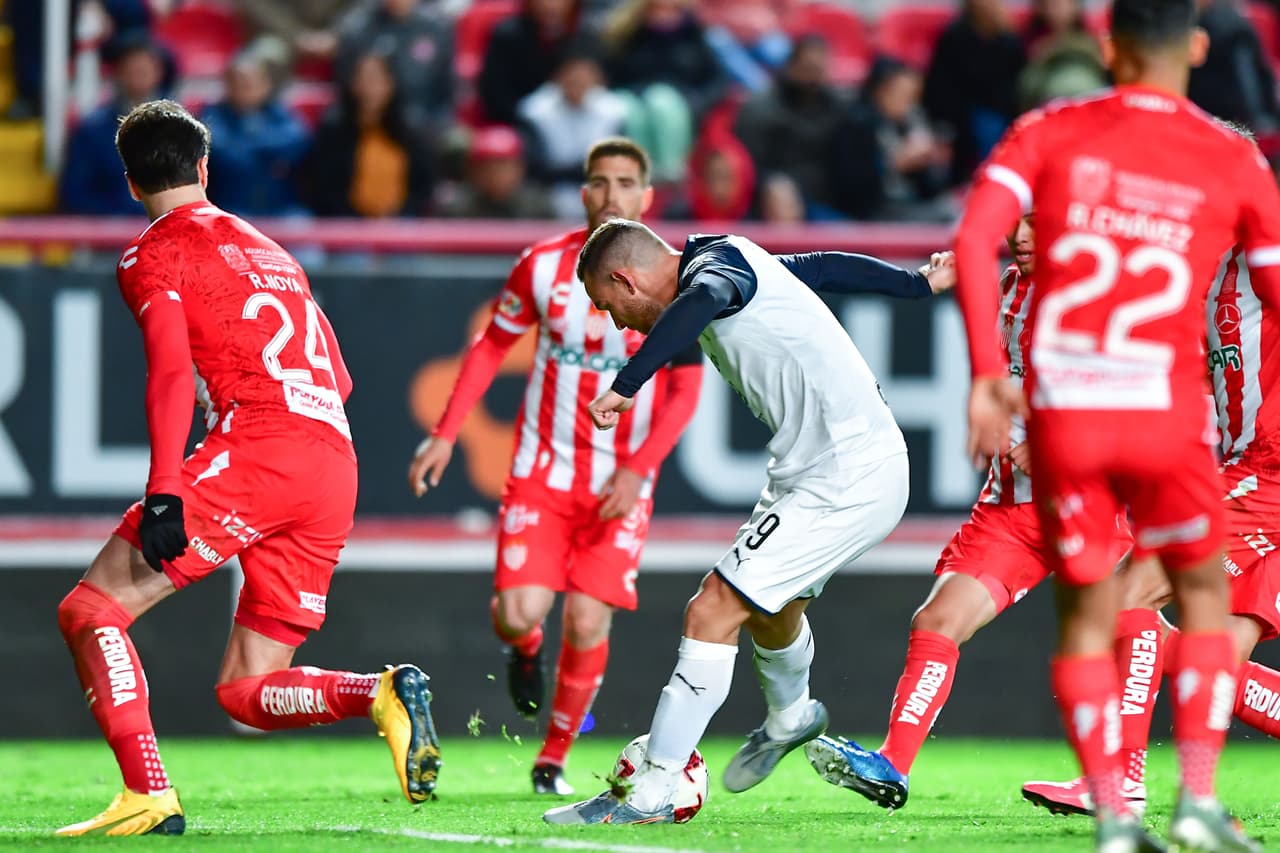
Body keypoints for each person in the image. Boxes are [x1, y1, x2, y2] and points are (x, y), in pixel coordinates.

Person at [54, 100, 439, 837]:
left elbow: (169, 370)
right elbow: (343, 377)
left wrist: (165, 484)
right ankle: (380, 691)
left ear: (131, 184)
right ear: (204, 167)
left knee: (91, 609)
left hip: (258, 448)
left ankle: (147, 792)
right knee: (246, 688)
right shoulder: (270, 247)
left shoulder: (151, 252)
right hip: (333, 460)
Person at [953, 0, 1280, 848]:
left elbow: (979, 233)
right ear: (1199, 47)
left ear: (1107, 46)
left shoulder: (1053, 128)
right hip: (1172, 417)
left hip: (1072, 415)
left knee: (1094, 615)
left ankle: (1112, 808)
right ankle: (1197, 800)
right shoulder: (1232, 155)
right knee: (1201, 602)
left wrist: (990, 373)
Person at [542, 219, 957, 825]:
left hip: (848, 473)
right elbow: (822, 267)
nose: (618, 323)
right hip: (817, 472)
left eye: (610, 305)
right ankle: (791, 716)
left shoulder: (713, 278)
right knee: (771, 608)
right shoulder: (731, 256)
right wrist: (913, 285)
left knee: (710, 608)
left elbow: (703, 298)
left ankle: (656, 786)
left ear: (625, 279)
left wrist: (629, 381)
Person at [407, 138, 703, 796]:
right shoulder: (542, 266)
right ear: (583, 192)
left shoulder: (671, 278)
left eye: (627, 182)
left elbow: (685, 388)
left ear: (648, 197)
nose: (612, 195)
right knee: (519, 611)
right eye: (599, 181)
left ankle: (553, 757)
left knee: (589, 619)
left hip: (621, 483)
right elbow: (490, 348)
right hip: (543, 472)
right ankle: (525, 647)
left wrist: (639, 468)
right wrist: (445, 433)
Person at [803, 215, 1128, 811]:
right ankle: (892, 765)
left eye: (1038, 219)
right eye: (1017, 221)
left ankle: (1120, 779)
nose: (1023, 234)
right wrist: (931, 280)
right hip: (1011, 511)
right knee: (937, 621)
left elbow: (1139, 393)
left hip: (1091, 506)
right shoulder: (1006, 287)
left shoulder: (1097, 294)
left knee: (1148, 642)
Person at [1023, 233, 1280, 815]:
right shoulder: (1192, 275)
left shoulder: (1263, 257)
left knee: (1120, 597)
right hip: (1245, 470)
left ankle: (1119, 782)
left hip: (1264, 475)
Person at [299, 50, 434, 218]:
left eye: (377, 79)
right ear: (352, 83)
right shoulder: (333, 130)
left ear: (391, 83)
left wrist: (398, 217)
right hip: (348, 225)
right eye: (363, 79)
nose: (369, 87)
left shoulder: (412, 130)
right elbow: (324, 188)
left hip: (402, 224)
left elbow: (422, 188)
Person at [59, 32, 174, 214]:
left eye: (144, 70)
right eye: (132, 70)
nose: (138, 76)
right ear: (119, 72)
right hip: (109, 233)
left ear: (159, 72)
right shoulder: (91, 131)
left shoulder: (180, 129)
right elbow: (75, 193)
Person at [923, 0, 1026, 186]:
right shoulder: (954, 36)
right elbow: (940, 87)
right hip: (963, 116)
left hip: (1002, 113)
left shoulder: (1009, 39)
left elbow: (1017, 84)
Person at [201, 46, 311, 217]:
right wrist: (270, 159)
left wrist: (246, 143)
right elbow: (226, 156)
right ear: (228, 84)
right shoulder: (212, 115)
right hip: (230, 208)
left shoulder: (279, 112)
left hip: (281, 208)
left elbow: (297, 141)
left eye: (253, 80)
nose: (247, 86)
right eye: (240, 81)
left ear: (266, 84)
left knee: (306, 234)